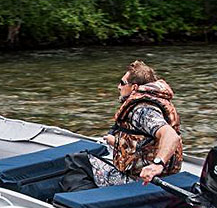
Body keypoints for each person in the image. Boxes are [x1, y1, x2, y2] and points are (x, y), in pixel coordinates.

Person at [62, 60, 183, 191]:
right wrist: (117, 142)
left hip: (140, 181)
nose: (118, 87)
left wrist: (157, 165)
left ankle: (80, 202)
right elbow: (147, 144)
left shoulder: (142, 110)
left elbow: (171, 136)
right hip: (164, 176)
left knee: (78, 161)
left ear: (134, 87)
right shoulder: (156, 102)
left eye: (122, 83)